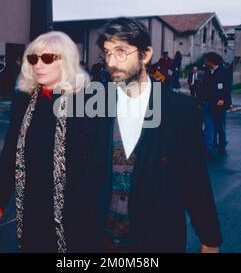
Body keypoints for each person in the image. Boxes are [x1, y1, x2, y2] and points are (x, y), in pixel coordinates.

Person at [95, 17, 222, 253]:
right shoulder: (95, 108)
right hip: (100, 241)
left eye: (121, 51)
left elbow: (194, 177)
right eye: (107, 52)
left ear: (145, 54)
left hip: (155, 240)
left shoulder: (180, 110)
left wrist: (209, 237)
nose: (111, 61)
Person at [0, 31, 105, 253]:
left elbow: (97, 167)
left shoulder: (87, 102)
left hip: (75, 217)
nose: (38, 64)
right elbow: (11, 153)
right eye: (33, 58)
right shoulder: (24, 101)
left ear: (65, 61)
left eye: (47, 58)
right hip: (32, 213)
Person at [200, 52, 232, 158]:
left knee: (220, 126)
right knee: (209, 126)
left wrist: (224, 100)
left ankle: (222, 145)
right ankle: (207, 149)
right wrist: (200, 101)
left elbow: (228, 88)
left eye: (206, 60)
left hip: (219, 105)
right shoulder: (207, 72)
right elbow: (204, 88)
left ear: (211, 61)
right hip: (208, 104)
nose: (205, 62)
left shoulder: (224, 72)